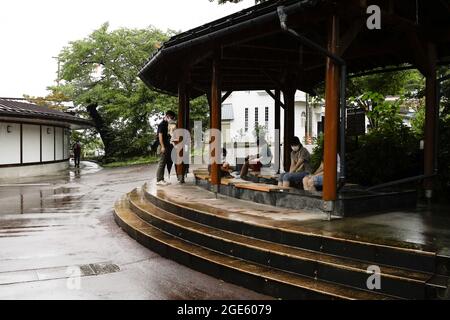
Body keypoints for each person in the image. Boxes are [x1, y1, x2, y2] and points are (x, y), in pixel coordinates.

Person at [156, 110, 176, 186]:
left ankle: (162, 179)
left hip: (166, 146)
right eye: (171, 118)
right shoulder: (162, 124)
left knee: (164, 163)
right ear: (167, 116)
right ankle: (159, 180)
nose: (172, 119)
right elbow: (159, 136)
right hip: (162, 146)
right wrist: (162, 146)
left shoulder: (166, 124)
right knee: (161, 163)